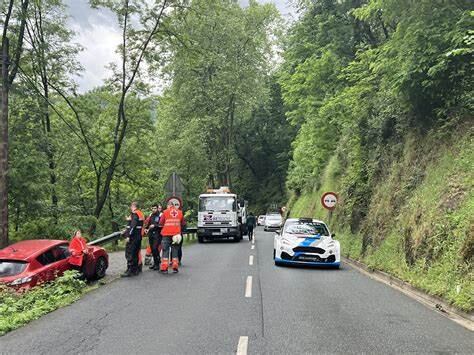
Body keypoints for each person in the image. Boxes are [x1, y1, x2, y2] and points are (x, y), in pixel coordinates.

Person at [159, 201, 185, 274]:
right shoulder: (179, 212)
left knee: (165, 250)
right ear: (174, 205)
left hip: (166, 234)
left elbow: (161, 223)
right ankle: (175, 267)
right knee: (175, 250)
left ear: (168, 205)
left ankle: (164, 268)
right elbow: (183, 223)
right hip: (176, 235)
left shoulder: (165, 212)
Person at [122, 202, 145, 277]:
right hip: (138, 236)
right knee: (135, 253)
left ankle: (129, 270)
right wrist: (129, 220)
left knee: (130, 253)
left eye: (131, 206)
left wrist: (128, 236)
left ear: (134, 207)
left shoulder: (135, 214)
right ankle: (135, 270)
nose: (130, 208)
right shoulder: (140, 213)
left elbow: (133, 226)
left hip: (133, 237)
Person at [145, 204, 163, 270]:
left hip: (157, 234)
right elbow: (148, 224)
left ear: (158, 208)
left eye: (155, 208)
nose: (153, 210)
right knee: (152, 249)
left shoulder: (161, 215)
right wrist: (146, 229)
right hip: (151, 234)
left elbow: (161, 225)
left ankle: (157, 264)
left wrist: (155, 226)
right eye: (152, 208)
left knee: (155, 248)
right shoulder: (151, 215)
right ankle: (155, 263)